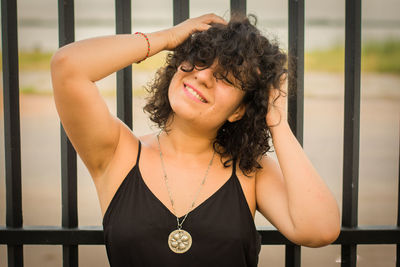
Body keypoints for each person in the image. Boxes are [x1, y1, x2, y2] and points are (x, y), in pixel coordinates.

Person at [50, 13, 340, 267]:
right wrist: (168, 37)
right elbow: (68, 66)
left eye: (227, 78)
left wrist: (275, 118)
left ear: (239, 110)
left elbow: (319, 229)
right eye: (199, 60)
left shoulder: (250, 170)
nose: (203, 77)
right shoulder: (118, 152)